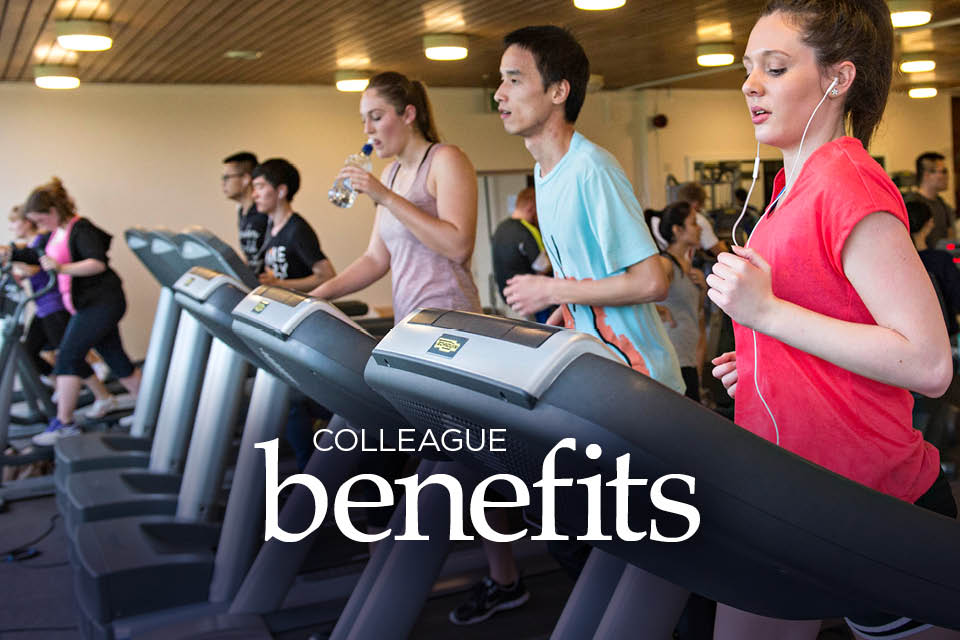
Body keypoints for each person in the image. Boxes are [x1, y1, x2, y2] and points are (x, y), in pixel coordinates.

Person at [707, 2, 957, 639]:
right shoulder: (789, 192)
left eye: (776, 67)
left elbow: (928, 363)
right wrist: (769, 360)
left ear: (838, 79)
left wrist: (767, 312)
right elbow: (828, 322)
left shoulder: (847, 183)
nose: (750, 84)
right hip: (792, 489)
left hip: (876, 506)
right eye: (748, 69)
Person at [308, 72, 527, 626]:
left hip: (457, 333)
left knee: (450, 462)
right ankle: (504, 578)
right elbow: (375, 261)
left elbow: (456, 243)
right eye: (363, 120)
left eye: (375, 116)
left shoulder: (444, 160)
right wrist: (316, 297)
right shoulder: (393, 171)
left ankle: (481, 576)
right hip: (413, 334)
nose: (368, 129)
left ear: (408, 113)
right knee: (467, 465)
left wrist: (383, 195)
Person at [495, 26, 684, 394]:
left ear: (558, 91)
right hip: (601, 374)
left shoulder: (592, 168)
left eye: (514, 80)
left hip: (642, 379)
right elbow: (587, 278)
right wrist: (566, 312)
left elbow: (651, 281)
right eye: (502, 81)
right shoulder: (544, 172)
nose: (499, 94)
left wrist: (553, 290)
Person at [21, 178, 141, 446]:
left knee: (68, 355)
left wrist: (61, 269)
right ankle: (150, 410)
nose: (39, 226)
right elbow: (38, 256)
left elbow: (97, 263)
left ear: (52, 211)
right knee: (115, 357)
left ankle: (64, 424)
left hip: (101, 302)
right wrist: (12, 255)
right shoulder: (57, 233)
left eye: (40, 220)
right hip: (86, 304)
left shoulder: (80, 228)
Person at [252, 158, 336, 292]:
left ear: (281, 191)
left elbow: (327, 276)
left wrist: (279, 284)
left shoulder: (297, 230)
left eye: (260, 187)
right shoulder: (271, 228)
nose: (254, 195)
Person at [656, 201, 707, 402]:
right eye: (694, 223)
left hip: (689, 360)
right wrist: (660, 310)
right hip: (672, 360)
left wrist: (702, 289)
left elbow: (695, 315)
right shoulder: (665, 264)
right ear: (677, 230)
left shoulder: (691, 270)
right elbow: (640, 295)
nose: (700, 228)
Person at [490, 186, 554, 322]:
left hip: (508, 295)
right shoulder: (527, 229)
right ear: (531, 207)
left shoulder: (501, 228)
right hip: (531, 297)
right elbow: (542, 266)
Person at [907, 199, 960, 338]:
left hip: (912, 335)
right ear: (930, 223)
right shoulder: (941, 260)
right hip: (945, 335)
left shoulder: (897, 263)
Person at [222, 151, 268, 274]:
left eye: (227, 177)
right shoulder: (242, 212)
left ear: (246, 179)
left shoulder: (264, 213)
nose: (223, 183)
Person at [907, 151, 955, 249]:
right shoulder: (911, 204)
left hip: (942, 261)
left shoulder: (943, 204)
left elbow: (951, 240)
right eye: (944, 171)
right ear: (927, 175)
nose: (947, 176)